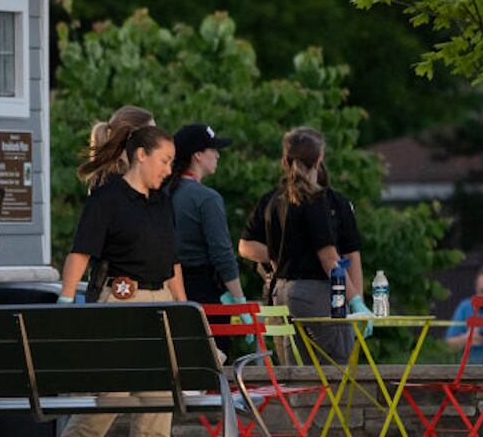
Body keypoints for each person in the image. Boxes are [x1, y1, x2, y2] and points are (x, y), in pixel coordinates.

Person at [58, 124, 187, 437]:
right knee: (111, 398)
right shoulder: (106, 199)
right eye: (165, 160)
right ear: (141, 155)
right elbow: (80, 254)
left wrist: (183, 306)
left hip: (162, 304)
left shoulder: (163, 202)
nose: (169, 170)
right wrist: (65, 300)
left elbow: (172, 262)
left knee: (159, 403)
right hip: (121, 302)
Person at [238, 127, 371, 363]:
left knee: (294, 371)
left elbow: (247, 245)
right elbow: (330, 258)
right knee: (338, 365)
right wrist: (356, 301)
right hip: (315, 291)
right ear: (320, 159)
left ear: (284, 160)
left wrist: (285, 252)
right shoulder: (315, 199)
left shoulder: (275, 200)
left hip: (281, 291)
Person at [170, 123, 245, 353]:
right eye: (213, 149)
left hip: (167, 288)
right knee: (211, 362)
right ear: (198, 155)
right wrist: (240, 300)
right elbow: (222, 254)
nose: (218, 155)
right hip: (203, 289)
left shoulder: (160, 193)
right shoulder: (206, 198)